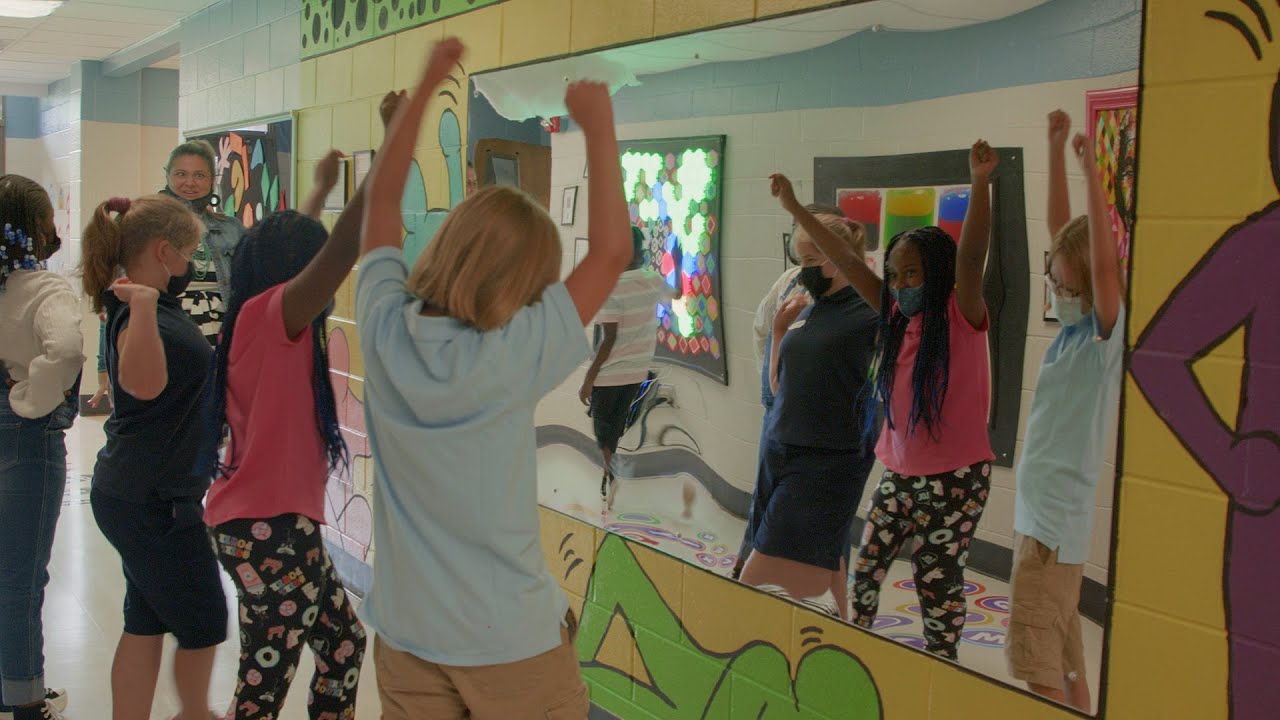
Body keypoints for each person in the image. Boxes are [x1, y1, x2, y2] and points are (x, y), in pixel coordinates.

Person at [355, 37, 631, 719]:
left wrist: (418, 98)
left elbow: (381, 206)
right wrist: (598, 125)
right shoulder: (520, 349)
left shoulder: (383, 326)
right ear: (526, 282)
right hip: (508, 639)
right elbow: (615, 251)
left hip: (405, 636)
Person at [774, 139, 999, 659]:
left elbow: (974, 254)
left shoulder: (961, 315)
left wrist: (981, 182)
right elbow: (846, 259)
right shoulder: (897, 316)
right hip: (899, 472)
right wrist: (793, 208)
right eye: (895, 275)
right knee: (868, 568)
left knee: (935, 584)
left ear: (936, 274)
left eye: (911, 274)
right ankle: (865, 655)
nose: (899, 285)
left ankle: (941, 663)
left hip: (955, 479)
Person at [200, 119, 393, 716]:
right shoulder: (272, 319)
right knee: (265, 680)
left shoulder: (261, 315)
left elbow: (290, 246)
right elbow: (333, 254)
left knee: (341, 643)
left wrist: (317, 191)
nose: (327, 287)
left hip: (274, 528)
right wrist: (387, 146)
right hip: (268, 531)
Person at [81, 194, 227, 720]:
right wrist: (141, 307)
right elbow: (142, 385)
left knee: (144, 617)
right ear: (164, 252)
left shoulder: (155, 307)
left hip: (141, 492)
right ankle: (196, 714)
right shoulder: (140, 311)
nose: (191, 266)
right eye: (187, 254)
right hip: (150, 500)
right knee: (206, 619)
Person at [1005, 112, 1124, 712]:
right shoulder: (1073, 335)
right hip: (1046, 527)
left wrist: (1090, 172)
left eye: (1062, 284)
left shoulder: (1103, 342)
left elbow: (1102, 267)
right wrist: (1052, 149)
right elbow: (1061, 233)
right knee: (1068, 659)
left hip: (1051, 536)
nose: (1055, 291)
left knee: (1037, 667)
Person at [737, 207, 879, 620]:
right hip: (784, 441)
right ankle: (843, 618)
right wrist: (781, 331)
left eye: (812, 261)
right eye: (799, 260)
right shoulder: (807, 303)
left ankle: (746, 627)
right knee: (826, 552)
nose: (803, 271)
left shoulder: (867, 311)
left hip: (830, 454)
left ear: (838, 257)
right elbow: (779, 385)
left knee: (759, 568)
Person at [0, 175, 81, 720]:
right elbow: (68, 349)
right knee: (21, 577)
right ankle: (24, 699)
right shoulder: (44, 290)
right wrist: (29, 399)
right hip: (26, 443)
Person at [732, 203, 846, 580]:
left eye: (812, 254)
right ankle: (747, 559)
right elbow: (763, 329)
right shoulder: (790, 282)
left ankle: (826, 577)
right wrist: (771, 379)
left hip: (825, 412)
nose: (804, 263)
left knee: (829, 499)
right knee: (767, 486)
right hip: (780, 401)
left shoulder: (854, 292)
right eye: (801, 255)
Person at [578, 225, 669, 509]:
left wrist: (589, 377)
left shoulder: (611, 287)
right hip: (636, 372)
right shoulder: (653, 279)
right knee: (615, 428)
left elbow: (609, 339)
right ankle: (609, 477)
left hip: (611, 374)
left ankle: (610, 474)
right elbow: (676, 295)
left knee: (603, 431)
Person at [160, 139, 248, 344]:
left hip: (221, 344)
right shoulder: (147, 225)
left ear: (212, 180)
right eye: (181, 174)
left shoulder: (233, 229)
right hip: (166, 341)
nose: (190, 183)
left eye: (199, 175)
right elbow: (117, 295)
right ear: (167, 175)